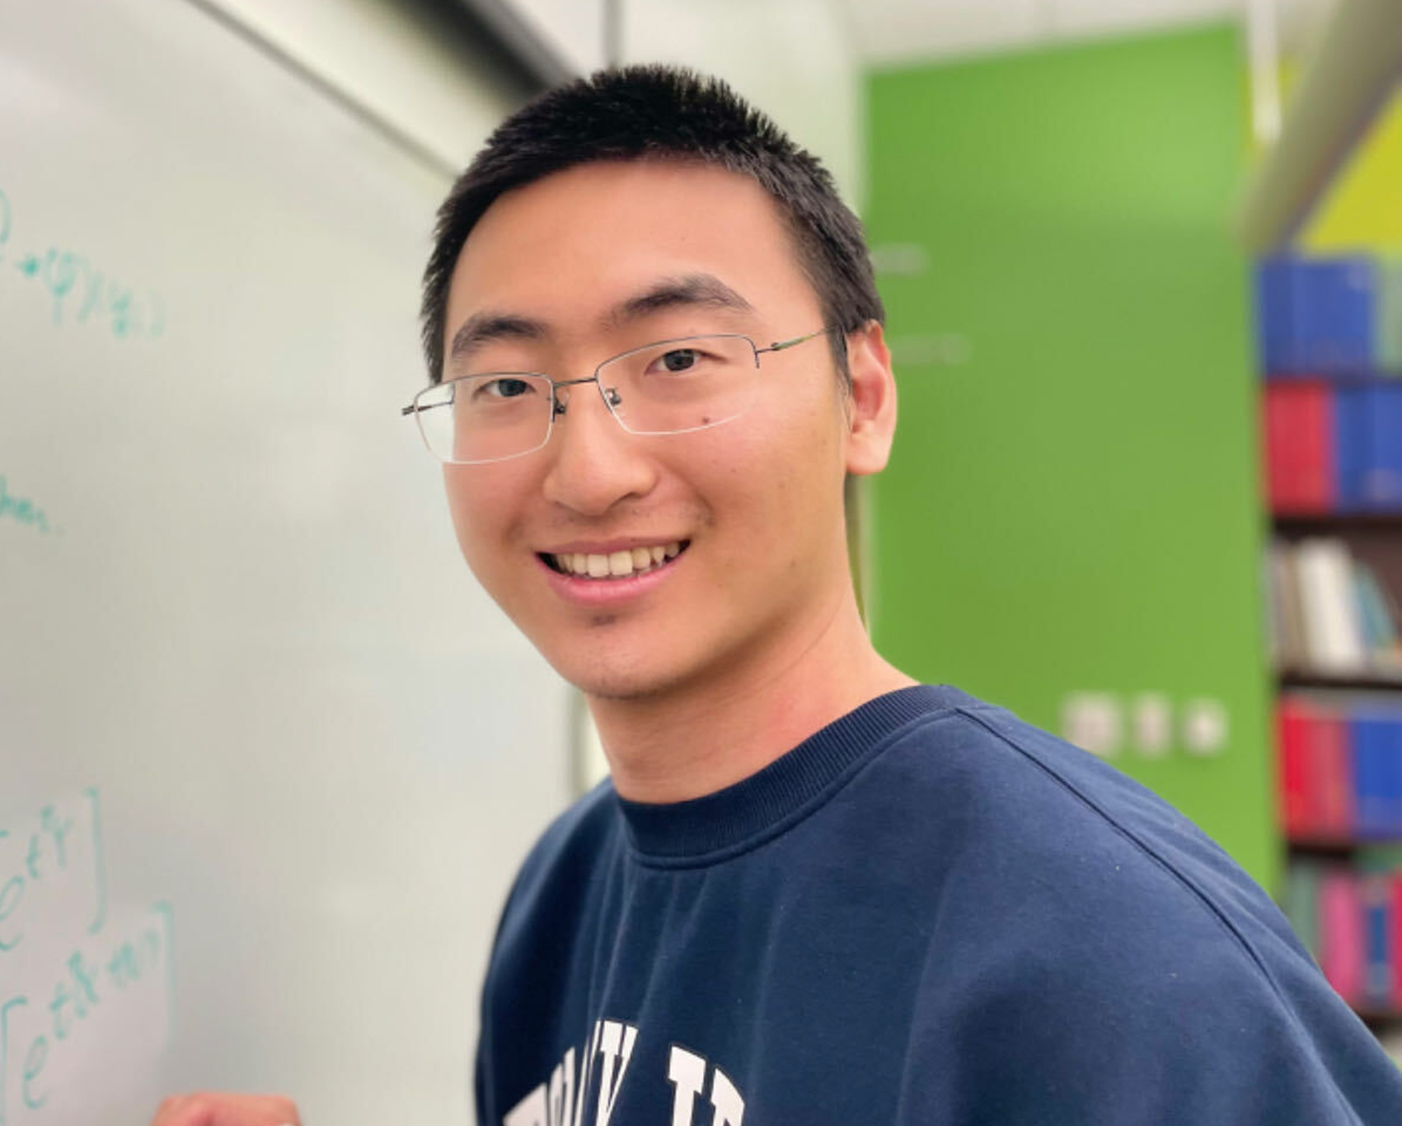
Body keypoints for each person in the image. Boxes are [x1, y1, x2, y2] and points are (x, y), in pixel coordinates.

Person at [151, 64, 1402, 1125]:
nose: (587, 469)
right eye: (505, 385)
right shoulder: (563, 890)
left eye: (678, 359)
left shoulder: (1105, 957)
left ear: (863, 397)